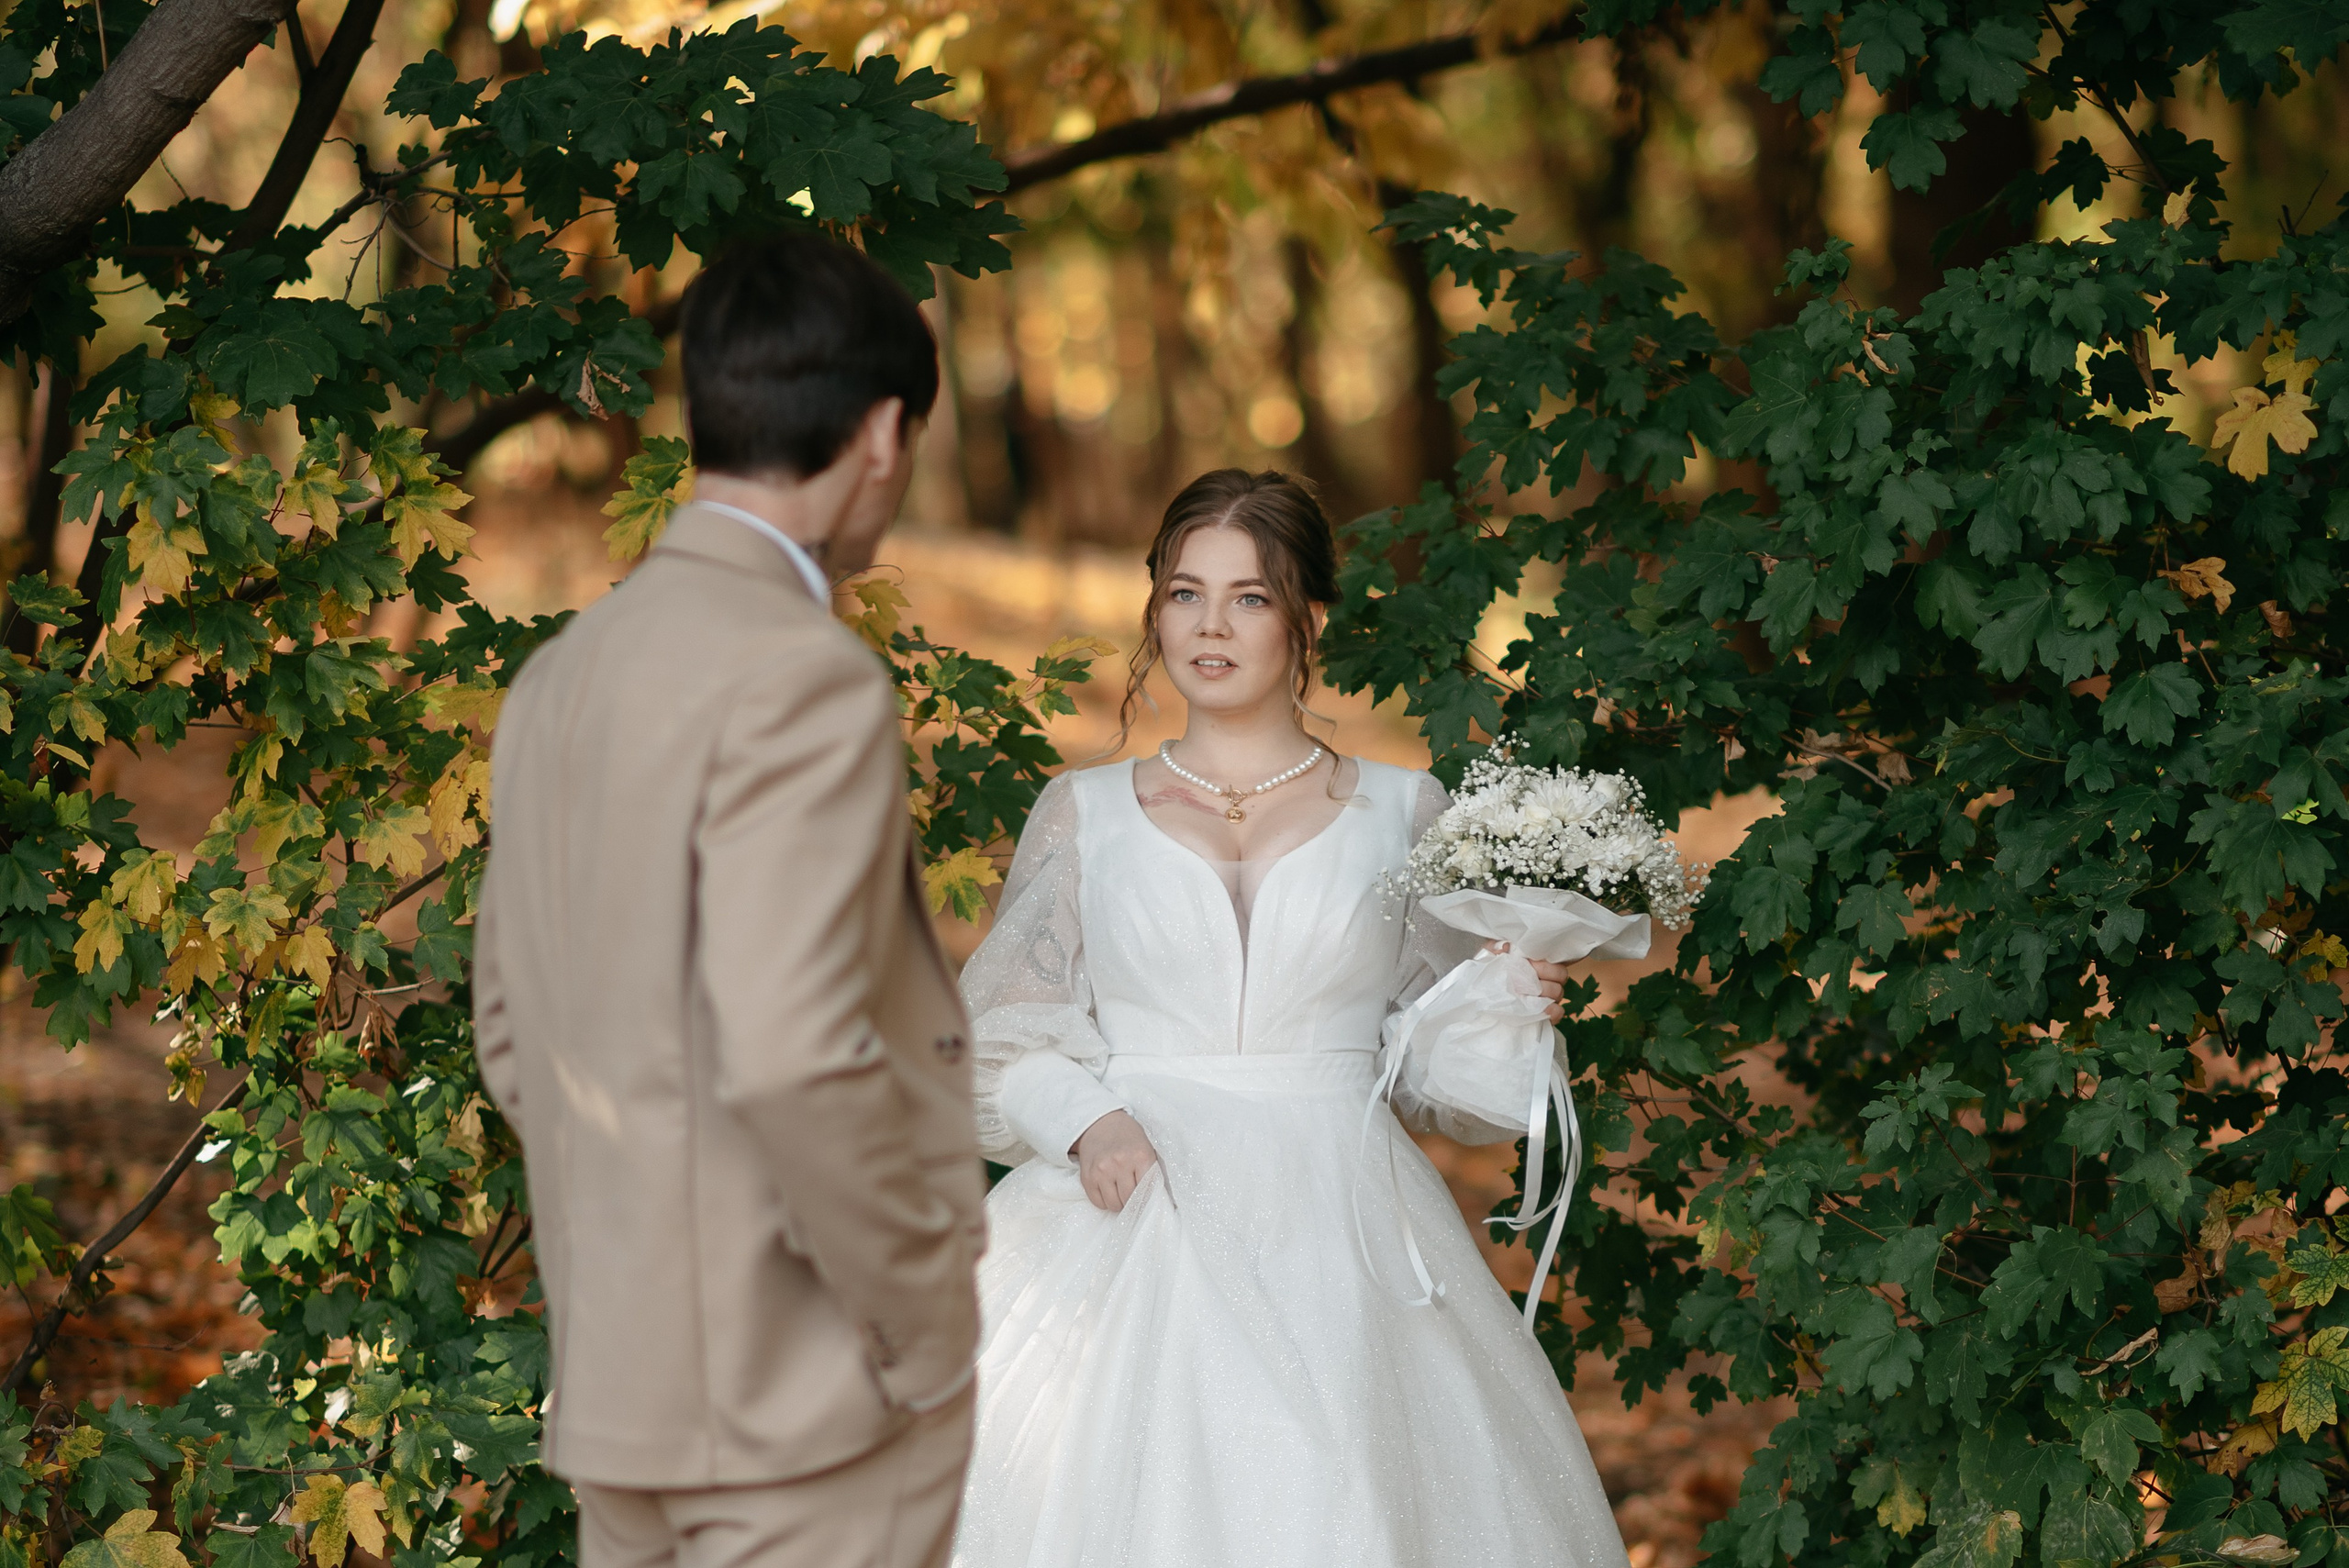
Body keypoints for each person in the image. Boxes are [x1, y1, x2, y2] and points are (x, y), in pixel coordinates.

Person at [951, 469, 1636, 1568]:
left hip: (1339, 1219)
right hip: (1130, 1206)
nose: (1210, 625)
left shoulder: (1403, 810)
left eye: (1249, 596)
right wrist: (1086, 1121)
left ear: (1307, 615)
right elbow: (996, 1037)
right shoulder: (1083, 812)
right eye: (1184, 593)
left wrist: (1507, 1003)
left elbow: (1433, 1080)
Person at [473, 232, 985, 1568]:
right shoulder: (803, 676)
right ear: (883, 433)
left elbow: (513, 1039)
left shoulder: (559, 677)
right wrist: (922, 1329)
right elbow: (797, 1052)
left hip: (623, 1401)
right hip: (802, 1410)